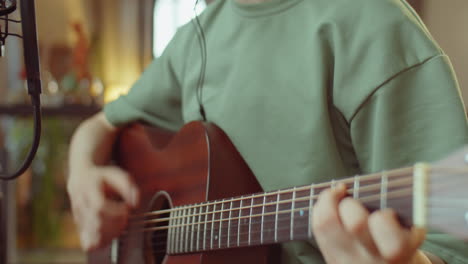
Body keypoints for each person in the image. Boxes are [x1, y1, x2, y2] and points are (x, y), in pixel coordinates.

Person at [67, 0, 468, 263]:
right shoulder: (195, 38)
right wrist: (80, 171)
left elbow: (450, 247)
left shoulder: (374, 26)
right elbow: (101, 125)